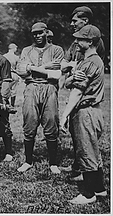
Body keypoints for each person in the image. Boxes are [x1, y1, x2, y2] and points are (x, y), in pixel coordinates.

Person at [60, 25, 106, 204]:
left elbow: (77, 92)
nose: (76, 42)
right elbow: (68, 82)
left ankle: (88, 194)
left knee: (86, 151)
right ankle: (99, 190)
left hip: (85, 111)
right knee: (93, 151)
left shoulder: (89, 62)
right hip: (94, 110)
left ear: (90, 41)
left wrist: (64, 116)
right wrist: (70, 78)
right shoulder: (93, 61)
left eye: (80, 39)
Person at [16, 22, 64, 174]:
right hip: (31, 87)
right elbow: (21, 70)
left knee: (51, 123)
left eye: (40, 33)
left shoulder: (56, 49)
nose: (37, 36)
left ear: (46, 32)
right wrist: (45, 69)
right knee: (29, 123)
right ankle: (28, 161)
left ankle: (53, 163)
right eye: (34, 33)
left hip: (49, 88)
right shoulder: (26, 50)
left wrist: (32, 68)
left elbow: (57, 70)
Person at [3, 43, 20, 112]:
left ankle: (6, 104)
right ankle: (12, 105)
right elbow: (18, 68)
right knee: (14, 91)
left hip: (6, 75)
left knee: (5, 90)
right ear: (13, 48)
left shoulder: (4, 56)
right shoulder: (16, 57)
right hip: (14, 74)